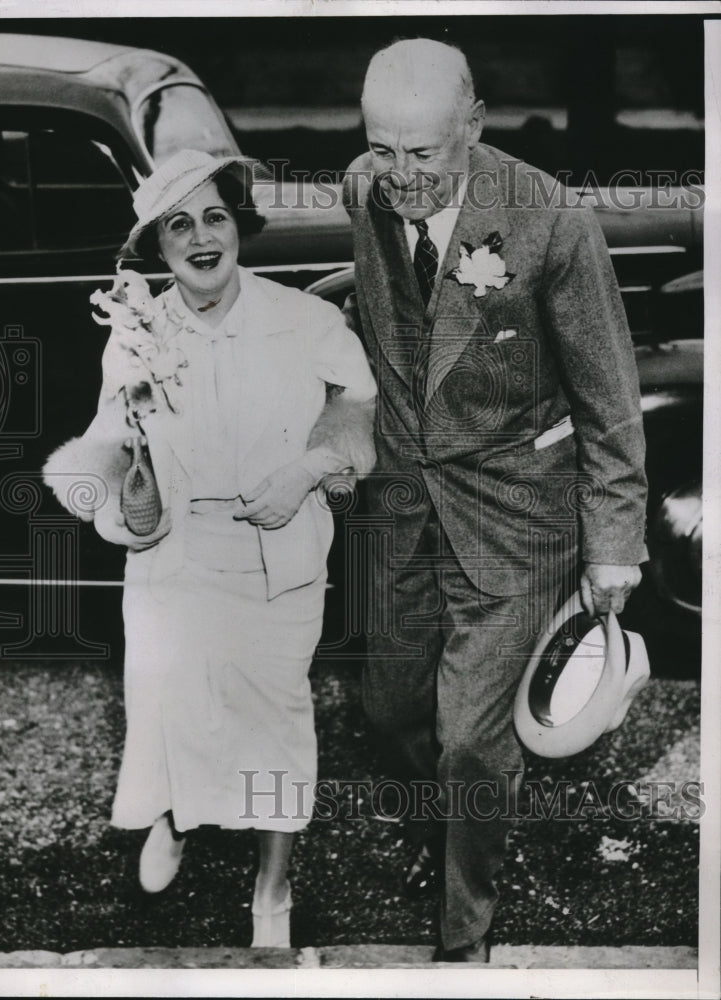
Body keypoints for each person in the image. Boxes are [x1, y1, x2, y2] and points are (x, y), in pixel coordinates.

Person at [342, 39, 648, 961]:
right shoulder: (364, 187)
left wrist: (612, 544)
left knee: (472, 741)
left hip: (516, 516)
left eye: (422, 155)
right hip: (397, 507)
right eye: (382, 150)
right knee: (389, 706)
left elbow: (608, 397)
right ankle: (446, 826)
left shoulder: (551, 223)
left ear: (472, 127)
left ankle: (464, 927)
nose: (398, 177)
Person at [44, 149, 376, 948]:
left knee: (275, 724)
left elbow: (356, 408)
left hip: (278, 553)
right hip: (174, 560)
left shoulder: (304, 321)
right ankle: (178, 811)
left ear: (241, 227)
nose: (200, 237)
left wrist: (304, 472)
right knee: (171, 707)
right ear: (156, 248)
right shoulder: (134, 334)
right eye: (178, 225)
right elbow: (108, 443)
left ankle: (271, 889)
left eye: (215, 217)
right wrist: (129, 483)